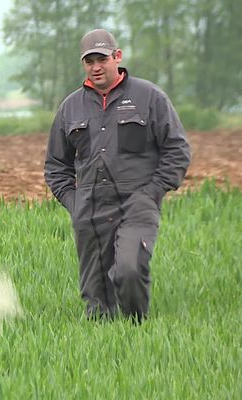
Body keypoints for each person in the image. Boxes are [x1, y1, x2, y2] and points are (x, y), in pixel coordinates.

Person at [44, 28, 190, 322]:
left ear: (117, 57)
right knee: (96, 300)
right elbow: (56, 166)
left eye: (102, 59)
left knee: (129, 268)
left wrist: (152, 192)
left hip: (137, 202)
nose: (96, 67)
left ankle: (136, 327)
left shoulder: (149, 97)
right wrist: (75, 203)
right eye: (89, 61)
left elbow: (177, 150)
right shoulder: (70, 107)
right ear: (83, 64)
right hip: (89, 207)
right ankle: (104, 343)